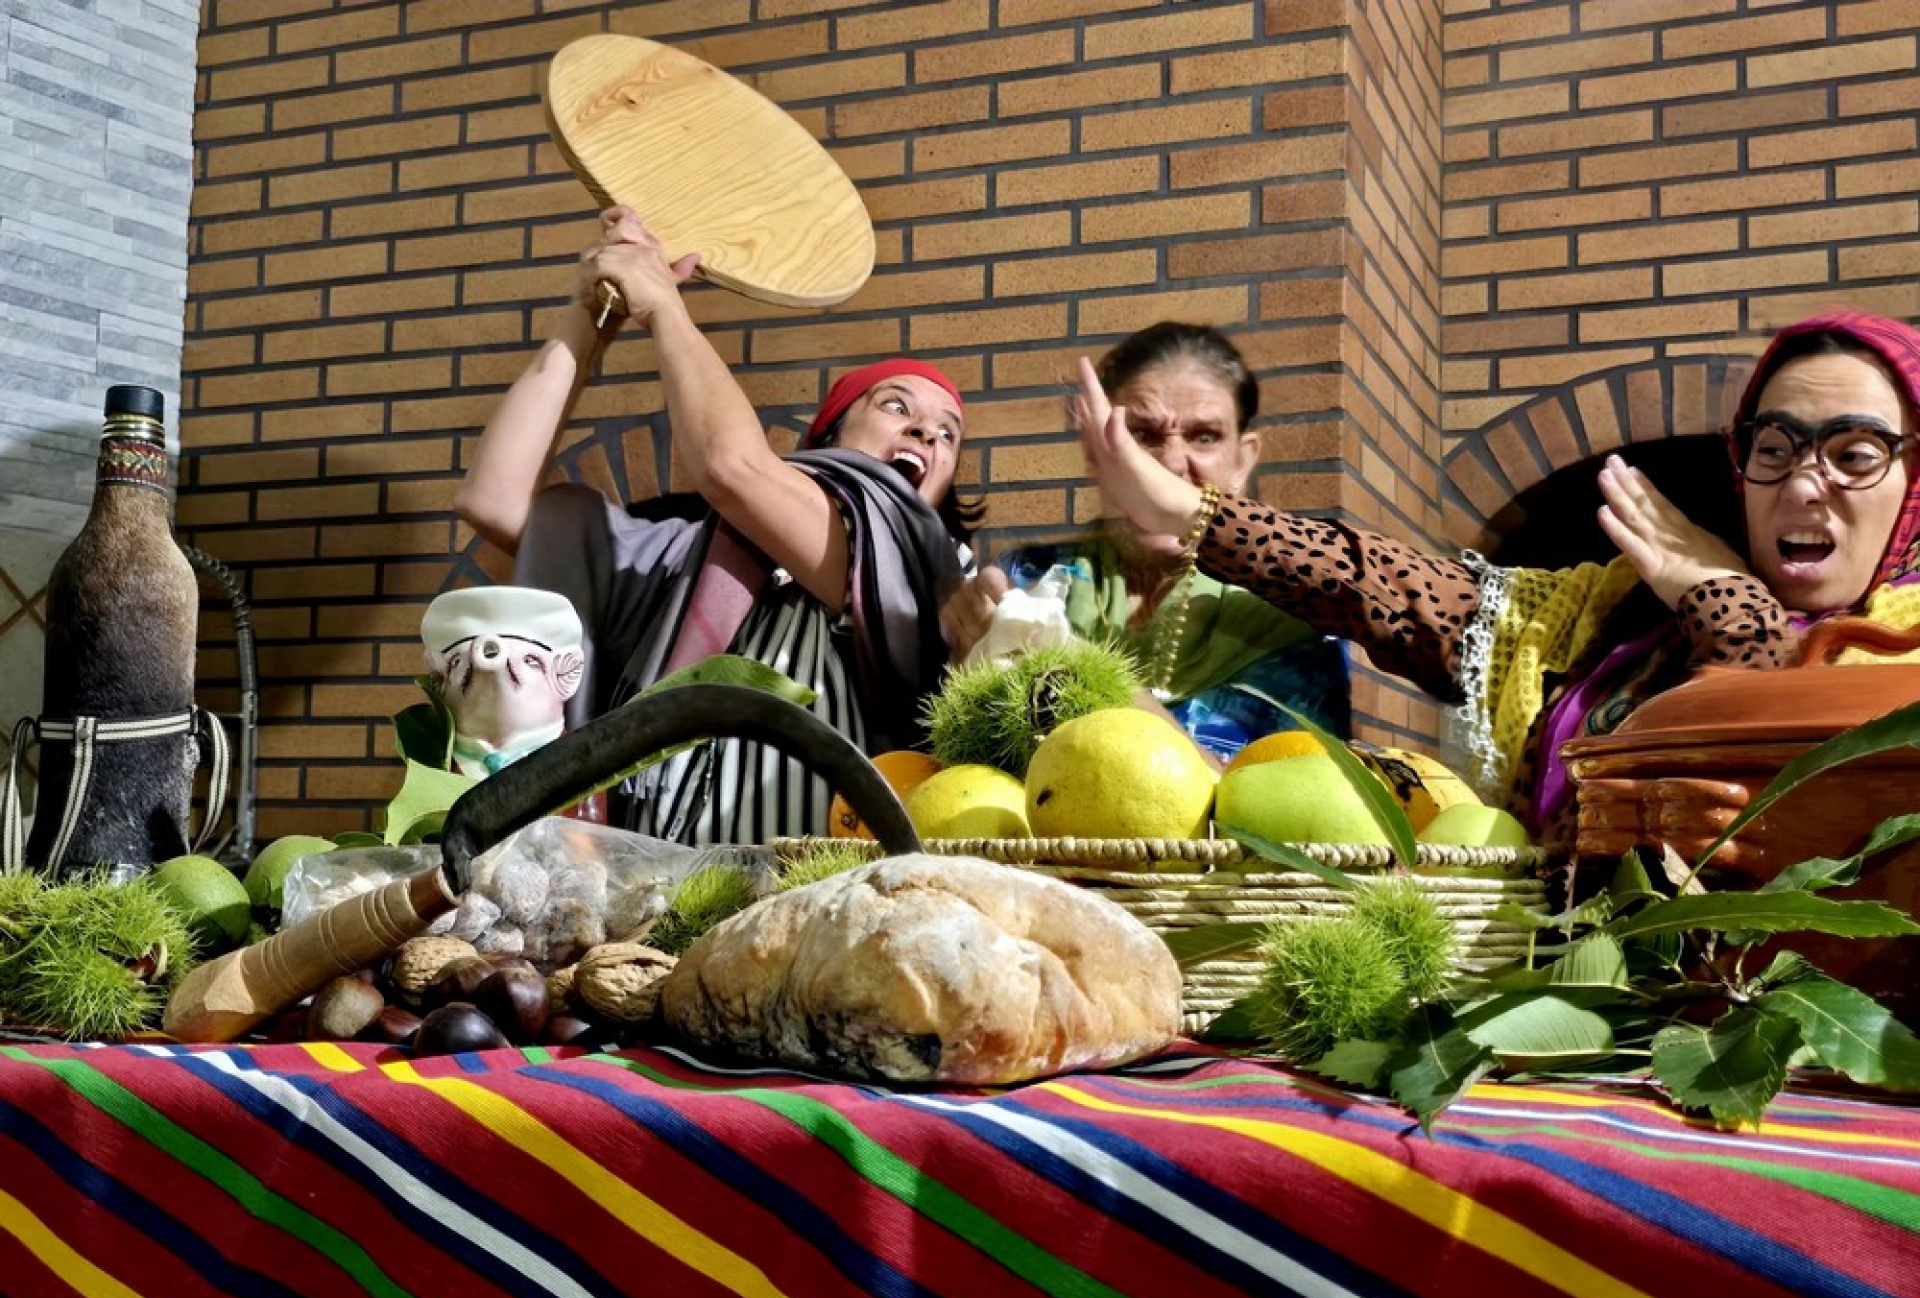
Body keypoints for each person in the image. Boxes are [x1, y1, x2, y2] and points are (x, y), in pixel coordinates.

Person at [1073, 309, 1920, 840]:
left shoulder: (1905, 654)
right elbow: (1388, 587)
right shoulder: (1614, 613)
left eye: (1854, 454)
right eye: (1774, 448)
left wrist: (1727, 603)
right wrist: (1193, 512)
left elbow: (1767, 805)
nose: (1803, 485)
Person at [453, 206, 973, 843]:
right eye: (897, 406)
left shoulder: (925, 567)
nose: (927, 432)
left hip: (820, 888)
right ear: (828, 436)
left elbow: (732, 469)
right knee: (569, 510)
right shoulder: (697, 564)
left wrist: (663, 306)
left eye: (949, 433)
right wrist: (592, 315)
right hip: (657, 890)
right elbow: (495, 499)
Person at [941, 322, 1350, 760]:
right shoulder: (1027, 579)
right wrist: (969, 669)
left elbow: (1287, 794)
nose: (1171, 463)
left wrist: (1080, 671)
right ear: (1096, 453)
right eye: (1141, 434)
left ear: (1242, 462)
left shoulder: (1288, 616)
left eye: (1204, 436)